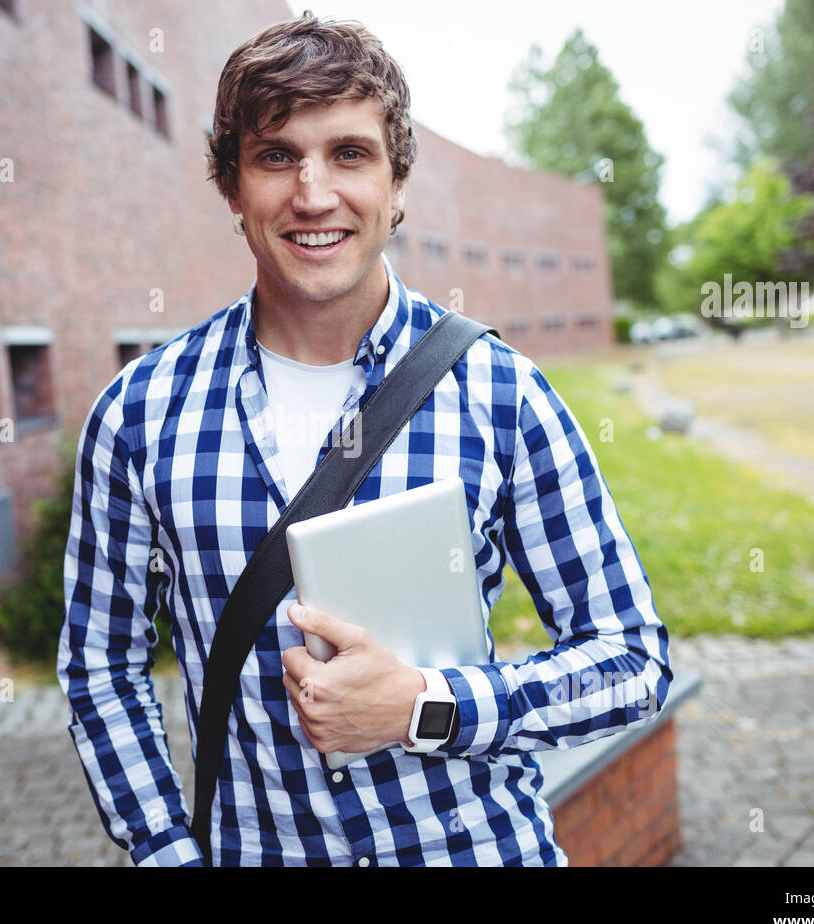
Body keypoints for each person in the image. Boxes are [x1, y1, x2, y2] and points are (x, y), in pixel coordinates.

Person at [56, 11, 672, 867]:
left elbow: (631, 662)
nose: (314, 195)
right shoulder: (138, 414)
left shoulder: (498, 391)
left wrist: (425, 705)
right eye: (276, 156)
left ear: (398, 184)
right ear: (232, 186)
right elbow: (100, 670)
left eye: (349, 153)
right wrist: (162, 848)